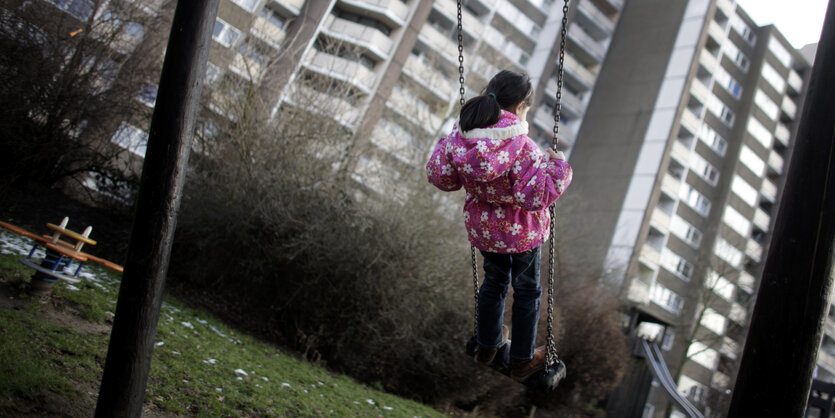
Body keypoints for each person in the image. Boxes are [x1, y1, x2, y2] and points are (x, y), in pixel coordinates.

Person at [425, 70, 573, 382]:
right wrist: (558, 166)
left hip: (485, 232)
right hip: (522, 235)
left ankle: (487, 346)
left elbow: (443, 177)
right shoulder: (523, 147)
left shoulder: (461, 137)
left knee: (493, 285)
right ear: (521, 107)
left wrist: (445, 144)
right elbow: (533, 197)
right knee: (527, 291)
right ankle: (522, 359)